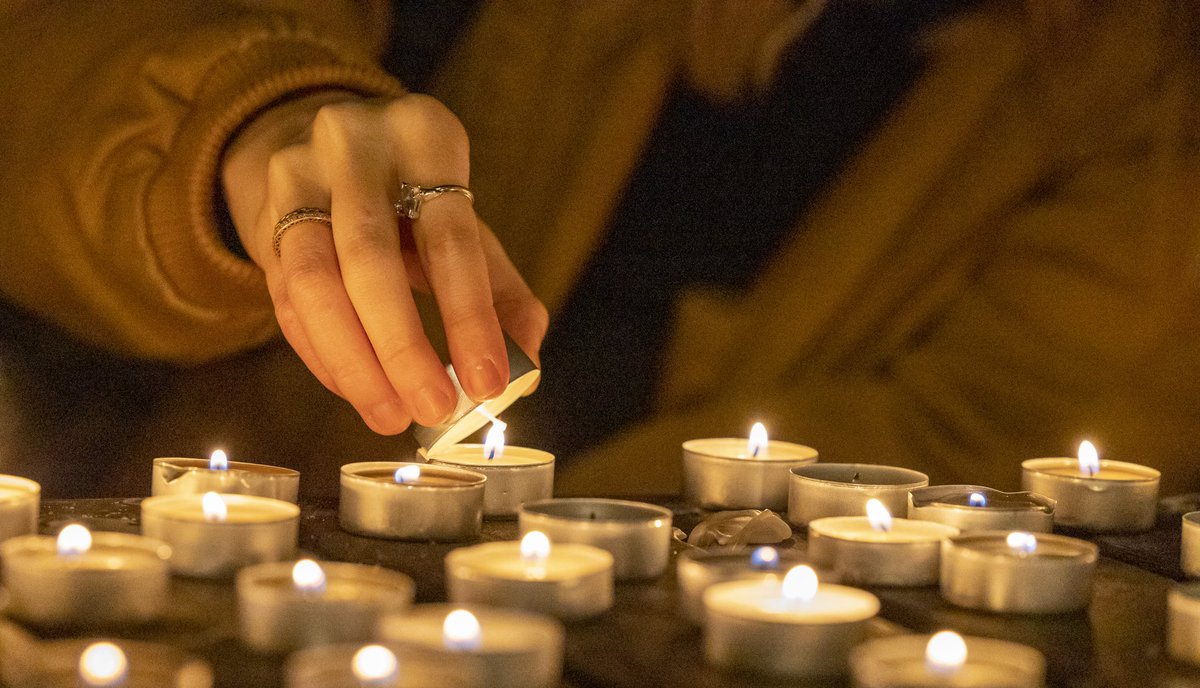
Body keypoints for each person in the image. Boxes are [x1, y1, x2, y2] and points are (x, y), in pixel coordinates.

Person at [1, 0, 1197, 499]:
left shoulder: (1134, 83)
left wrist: (573, 536)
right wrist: (238, 131)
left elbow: (1015, 429)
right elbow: (57, 59)